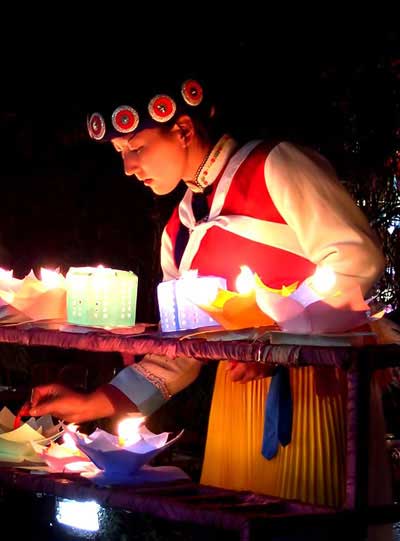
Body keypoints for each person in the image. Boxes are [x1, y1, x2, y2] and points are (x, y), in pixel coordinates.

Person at [28, 76, 389, 514]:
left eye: (136, 148)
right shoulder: (177, 231)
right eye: (121, 154)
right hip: (234, 405)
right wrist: (93, 403)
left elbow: (357, 259)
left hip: (315, 396)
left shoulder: (274, 166)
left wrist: (283, 343)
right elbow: (180, 353)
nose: (127, 166)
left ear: (182, 129)